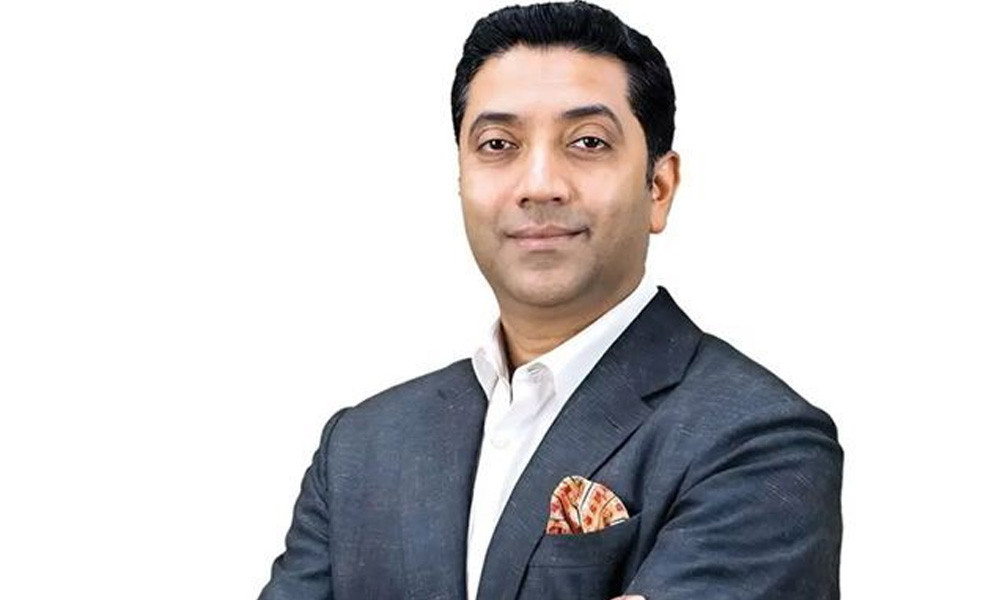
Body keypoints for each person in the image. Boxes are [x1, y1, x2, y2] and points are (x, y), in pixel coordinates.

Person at [258, 2, 843, 599]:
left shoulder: (758, 440)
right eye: (497, 144)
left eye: (588, 142)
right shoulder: (362, 445)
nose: (539, 185)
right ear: (461, 179)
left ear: (659, 187)